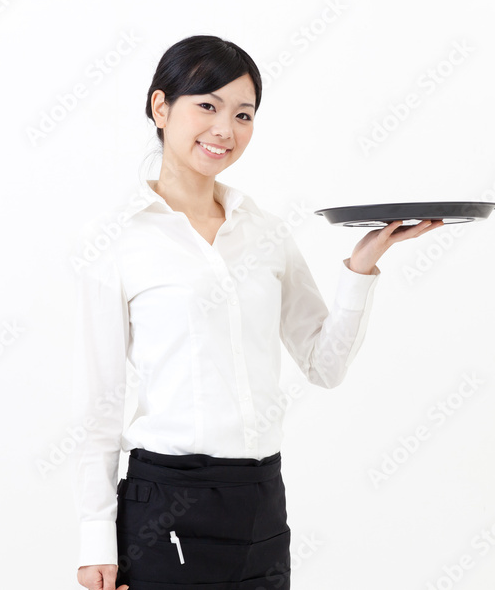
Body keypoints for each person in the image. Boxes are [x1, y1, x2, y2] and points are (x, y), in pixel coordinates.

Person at [73, 34, 443, 590]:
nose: (225, 129)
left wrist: (363, 265)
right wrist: (96, 541)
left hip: (262, 500)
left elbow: (324, 364)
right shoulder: (118, 240)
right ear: (160, 107)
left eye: (243, 113)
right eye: (207, 105)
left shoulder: (263, 230)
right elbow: (99, 404)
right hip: (168, 504)